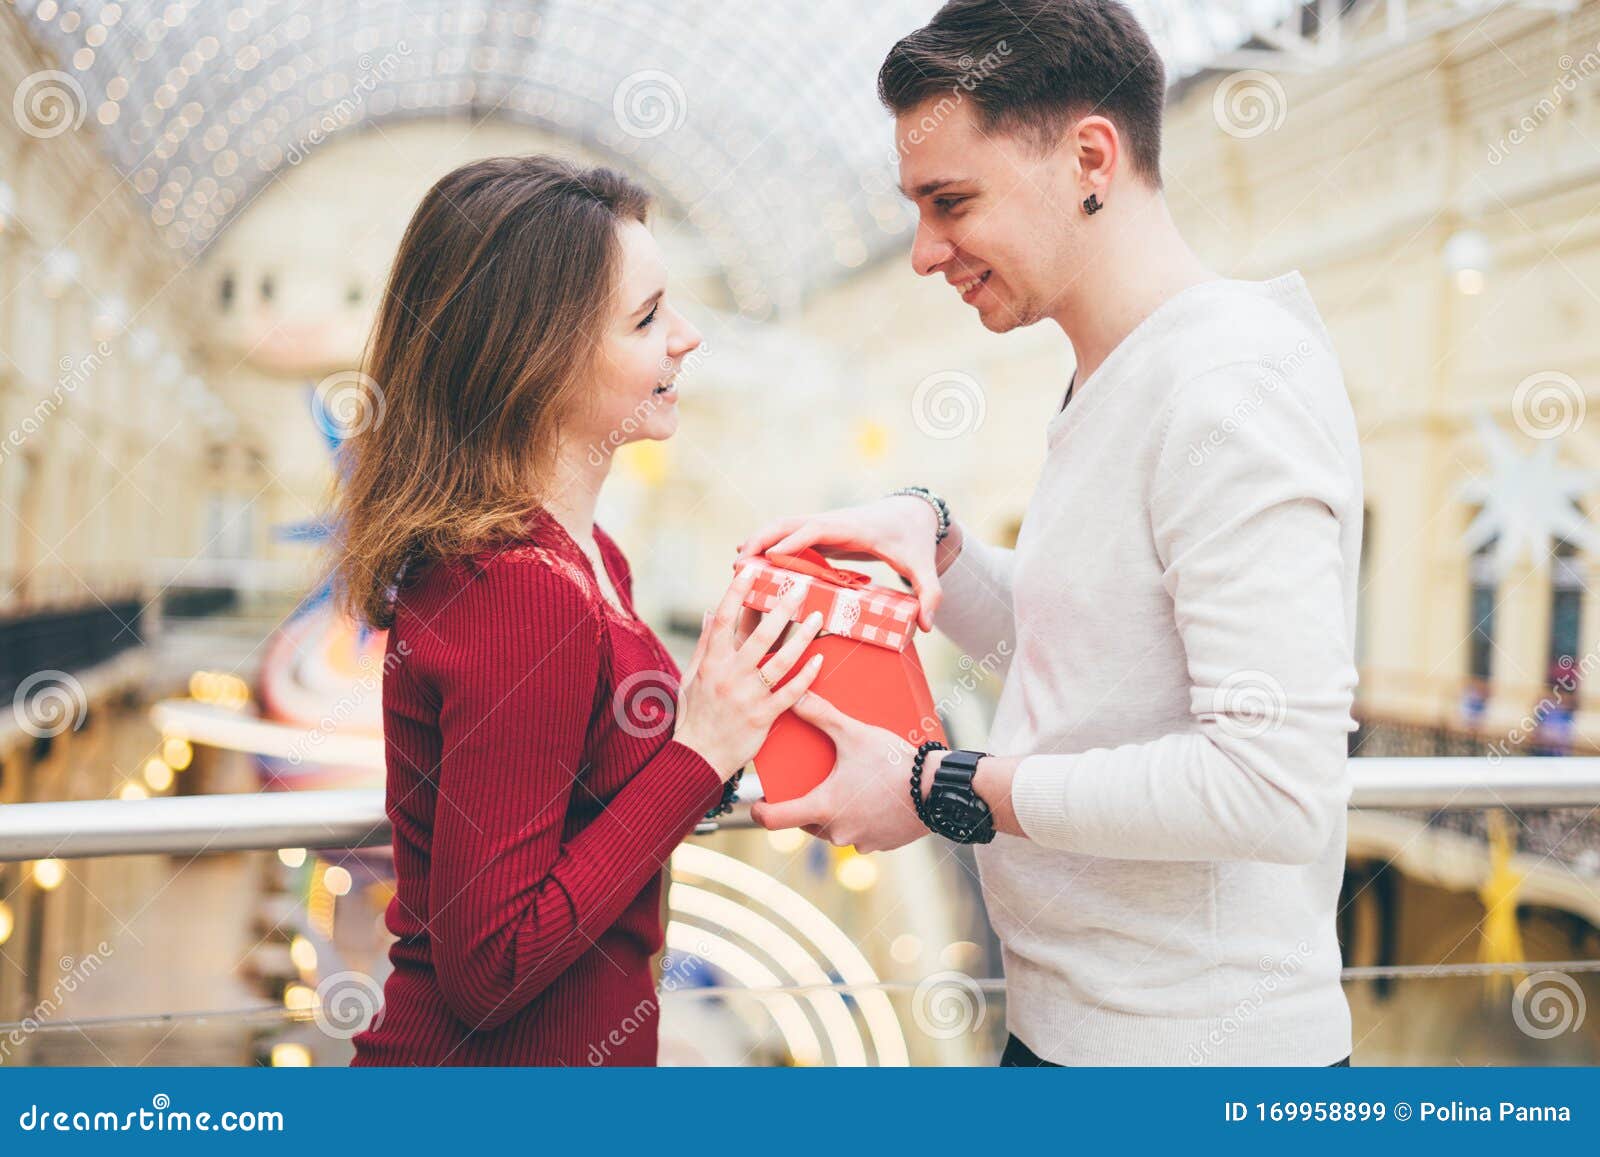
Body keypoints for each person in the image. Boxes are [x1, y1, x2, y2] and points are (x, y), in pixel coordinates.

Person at [739, 0, 1363, 1067]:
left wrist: (940, 787)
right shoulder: (1124, 375)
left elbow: (1272, 785)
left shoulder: (1227, 389)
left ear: (1088, 157)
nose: (925, 252)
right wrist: (935, 534)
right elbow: (1098, 644)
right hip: (1085, 1033)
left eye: (951, 201)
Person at [336, 156, 825, 1065]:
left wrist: (727, 739)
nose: (686, 337)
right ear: (540, 358)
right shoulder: (520, 591)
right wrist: (703, 750)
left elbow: (587, 802)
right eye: (645, 318)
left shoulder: (591, 560)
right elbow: (492, 966)